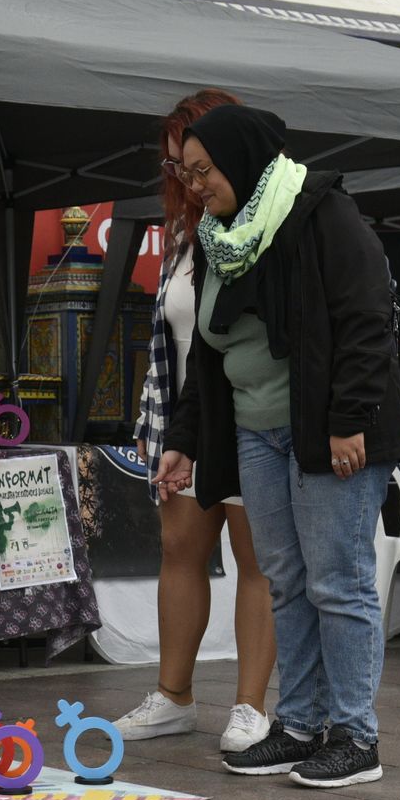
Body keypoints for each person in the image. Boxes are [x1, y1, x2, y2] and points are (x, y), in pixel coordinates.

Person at [153, 104, 400, 788]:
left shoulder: (321, 212)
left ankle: (356, 737)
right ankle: (299, 726)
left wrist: (349, 419)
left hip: (329, 430)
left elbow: (367, 319)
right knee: (286, 582)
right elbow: (211, 356)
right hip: (254, 433)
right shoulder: (219, 238)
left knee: (338, 580)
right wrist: (183, 440)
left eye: (203, 171)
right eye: (185, 172)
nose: (195, 185)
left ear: (240, 160)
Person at [113, 89, 277, 754]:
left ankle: (250, 707)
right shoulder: (183, 234)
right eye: (176, 162)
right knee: (180, 551)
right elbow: (177, 346)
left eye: (193, 160)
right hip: (186, 424)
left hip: (249, 419)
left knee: (256, 560)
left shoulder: (254, 225)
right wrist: (167, 435)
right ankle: (174, 697)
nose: (182, 172)